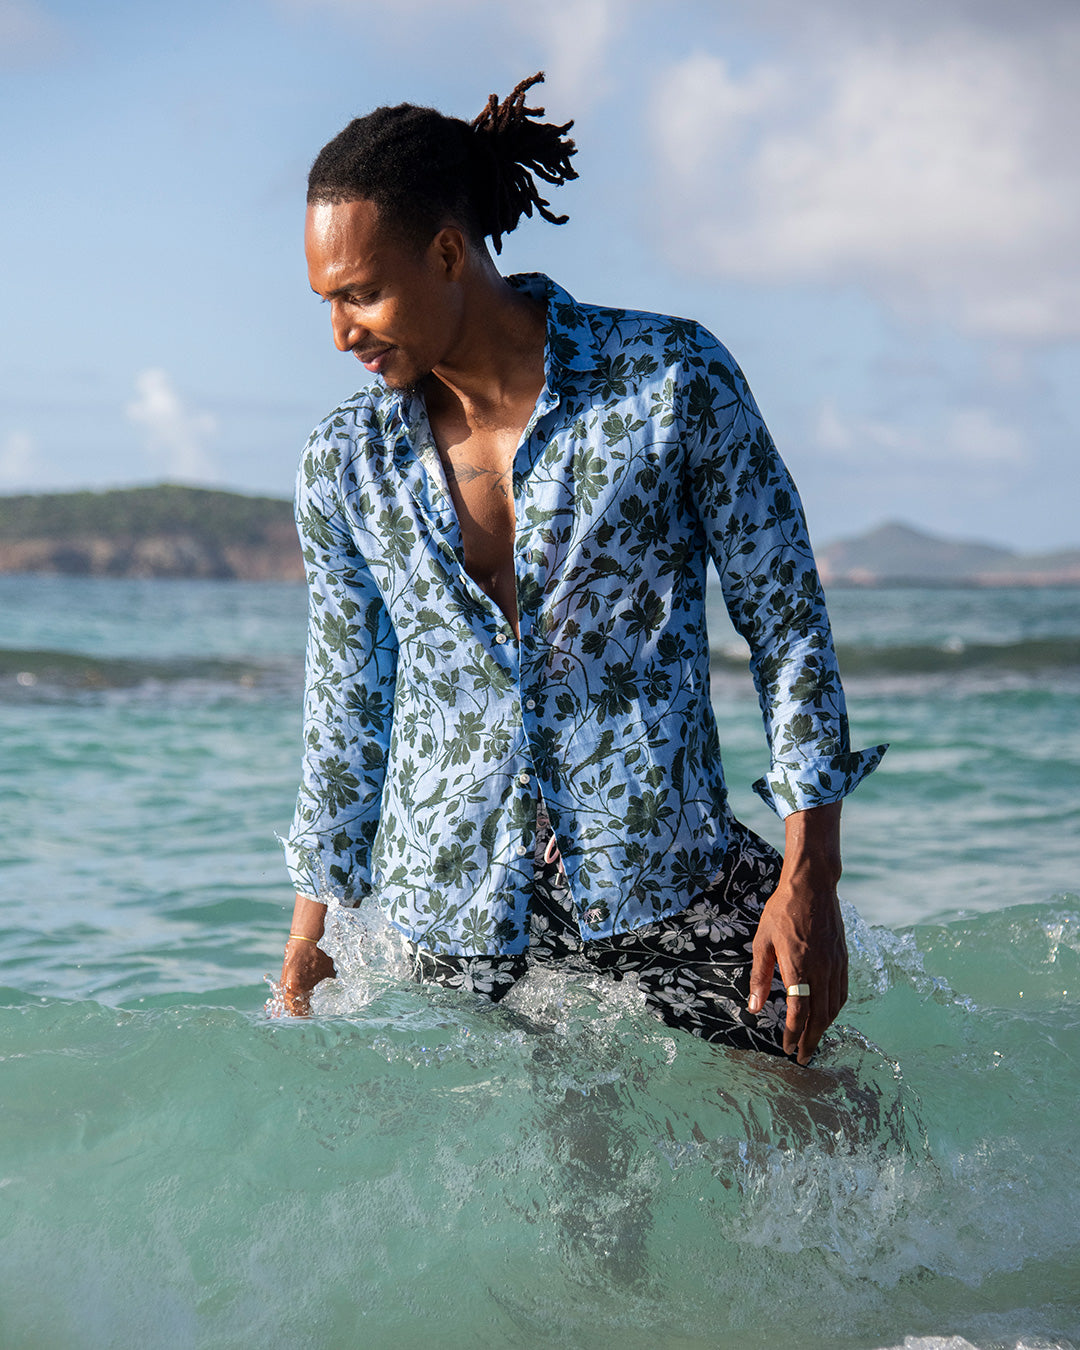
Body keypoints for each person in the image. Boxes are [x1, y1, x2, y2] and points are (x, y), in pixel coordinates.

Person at [277, 74, 886, 1064]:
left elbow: (787, 625)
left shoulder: (669, 381)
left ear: (446, 253)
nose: (340, 331)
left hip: (667, 881)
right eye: (326, 301)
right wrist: (310, 937)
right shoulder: (344, 464)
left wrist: (807, 876)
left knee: (825, 1124)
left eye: (361, 292)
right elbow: (346, 709)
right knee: (553, 1200)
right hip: (452, 923)